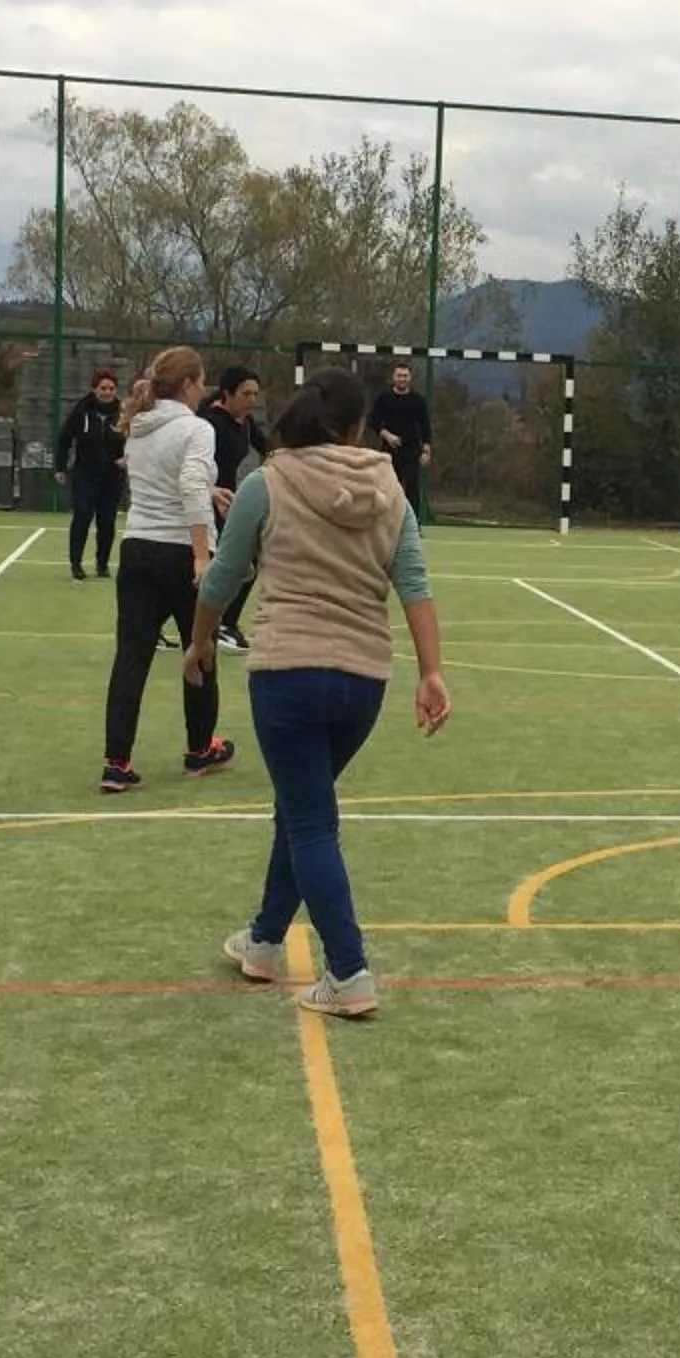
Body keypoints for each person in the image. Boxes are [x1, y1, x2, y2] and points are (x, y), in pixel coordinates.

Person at [197, 366, 452, 1018]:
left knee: (309, 820)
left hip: (287, 672)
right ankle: (262, 941)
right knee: (300, 806)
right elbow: (415, 583)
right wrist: (431, 672)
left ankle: (349, 971)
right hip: (363, 679)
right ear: (358, 427)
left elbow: (223, 576)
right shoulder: (390, 489)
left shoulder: (267, 483)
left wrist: (200, 644)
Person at [99, 345, 235, 794]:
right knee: (201, 650)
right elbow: (189, 483)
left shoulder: (139, 425)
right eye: (201, 381)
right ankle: (199, 748)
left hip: (138, 548)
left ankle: (116, 762)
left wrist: (210, 490)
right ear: (190, 384)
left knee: (131, 656)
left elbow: (165, 480)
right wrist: (201, 554)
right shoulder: (197, 429)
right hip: (180, 552)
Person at [202, 367, 266, 651]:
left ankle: (226, 622)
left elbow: (269, 447)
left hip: (230, 501)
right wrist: (210, 492)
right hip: (205, 500)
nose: (251, 399)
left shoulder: (246, 421)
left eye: (255, 394)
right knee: (222, 565)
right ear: (227, 394)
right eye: (245, 394)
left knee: (249, 560)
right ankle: (218, 624)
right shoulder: (209, 423)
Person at [54, 368, 123, 581]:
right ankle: (76, 564)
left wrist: (127, 459)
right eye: (103, 388)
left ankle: (102, 564)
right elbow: (64, 439)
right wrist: (60, 467)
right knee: (82, 515)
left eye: (111, 388)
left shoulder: (123, 412)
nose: (107, 392)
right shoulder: (81, 411)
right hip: (85, 473)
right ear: (94, 389)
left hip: (113, 475)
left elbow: (136, 439)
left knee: (107, 520)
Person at [371, 360, 437, 521]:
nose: (402, 379)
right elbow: (373, 421)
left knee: (412, 486)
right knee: (389, 486)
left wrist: (426, 450)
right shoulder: (384, 398)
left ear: (410, 378)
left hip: (412, 450)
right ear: (394, 377)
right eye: (399, 375)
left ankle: (413, 523)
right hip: (389, 451)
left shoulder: (418, 400)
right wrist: (387, 435)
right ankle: (386, 521)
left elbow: (425, 426)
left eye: (405, 376)